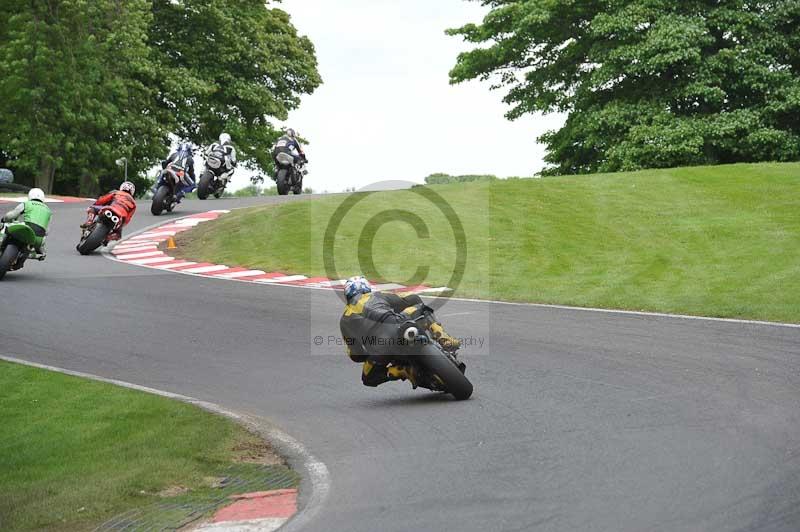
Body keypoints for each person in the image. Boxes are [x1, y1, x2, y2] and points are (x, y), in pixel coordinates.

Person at [339, 276, 461, 388]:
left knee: (368, 378)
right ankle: (443, 337)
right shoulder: (376, 295)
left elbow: (355, 354)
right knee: (421, 308)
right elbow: (411, 298)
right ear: (367, 288)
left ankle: (402, 370)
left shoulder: (344, 320)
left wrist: (369, 355)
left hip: (380, 348)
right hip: (398, 324)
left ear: (347, 295)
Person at [1, 188, 51, 261]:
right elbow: (47, 231)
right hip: (38, 239)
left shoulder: (27, 204)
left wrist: (4, 219)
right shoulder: (48, 211)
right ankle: (29, 253)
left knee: (4, 227)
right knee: (37, 249)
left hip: (25, 230)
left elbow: (11, 215)